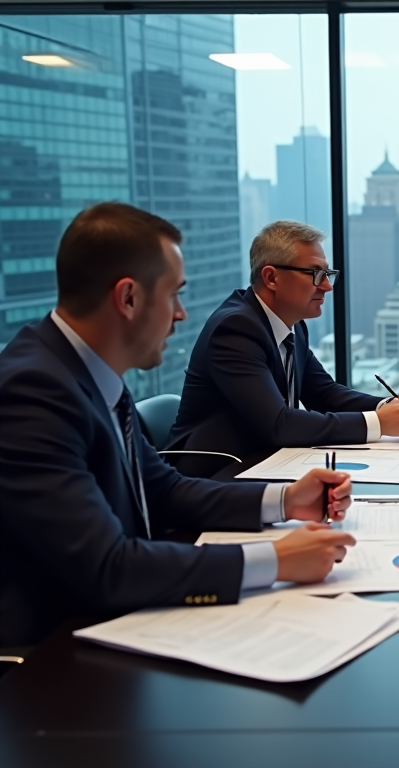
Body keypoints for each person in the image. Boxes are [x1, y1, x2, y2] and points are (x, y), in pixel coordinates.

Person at [0, 203, 357, 648]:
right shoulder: (34, 392)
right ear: (128, 298)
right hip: (52, 656)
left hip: (121, 619)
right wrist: (274, 560)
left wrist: (285, 500)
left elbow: (163, 490)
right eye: (173, 294)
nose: (181, 314)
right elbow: (107, 568)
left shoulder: (87, 371)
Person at [167, 221, 399, 471]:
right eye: (315, 274)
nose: (327, 286)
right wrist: (376, 423)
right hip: (217, 471)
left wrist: (386, 406)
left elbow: (324, 394)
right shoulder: (235, 328)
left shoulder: (291, 323)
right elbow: (278, 423)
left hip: (264, 462)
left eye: (327, 274)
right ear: (271, 277)